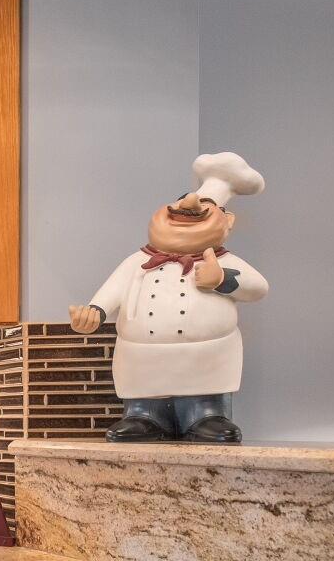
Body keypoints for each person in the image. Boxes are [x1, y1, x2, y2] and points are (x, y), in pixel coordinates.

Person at [69, 152, 268, 443]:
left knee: (204, 402)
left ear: (228, 221)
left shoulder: (221, 260)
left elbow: (258, 287)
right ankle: (143, 415)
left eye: (204, 205)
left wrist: (221, 279)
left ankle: (205, 414)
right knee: (145, 398)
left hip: (207, 357)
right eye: (183, 200)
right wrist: (94, 314)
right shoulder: (136, 261)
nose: (187, 205)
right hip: (141, 359)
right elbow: (110, 293)